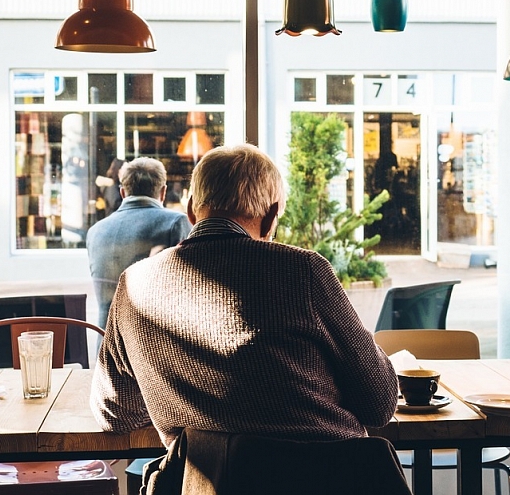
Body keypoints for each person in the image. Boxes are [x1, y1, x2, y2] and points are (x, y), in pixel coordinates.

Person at [90, 143, 398, 448]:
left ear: (191, 210)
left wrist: (178, 395)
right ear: (271, 216)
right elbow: (379, 403)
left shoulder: (134, 285)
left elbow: (115, 414)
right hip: (329, 478)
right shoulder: (303, 271)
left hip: (205, 483)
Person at [86, 157, 192, 329]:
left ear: (122, 193)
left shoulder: (95, 231)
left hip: (105, 343)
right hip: (151, 345)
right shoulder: (175, 223)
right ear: (163, 192)